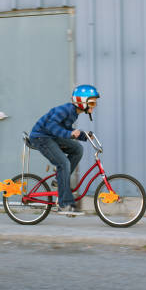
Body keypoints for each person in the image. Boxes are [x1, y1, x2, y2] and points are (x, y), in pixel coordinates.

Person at [29, 84, 100, 216]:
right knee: (64, 163)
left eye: (95, 102)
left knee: (77, 149)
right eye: (92, 102)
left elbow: (66, 130)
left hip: (51, 136)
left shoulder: (74, 113)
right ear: (81, 101)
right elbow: (51, 126)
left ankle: (59, 179)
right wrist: (70, 134)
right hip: (41, 137)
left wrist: (84, 136)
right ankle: (64, 204)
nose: (94, 105)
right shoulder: (65, 110)